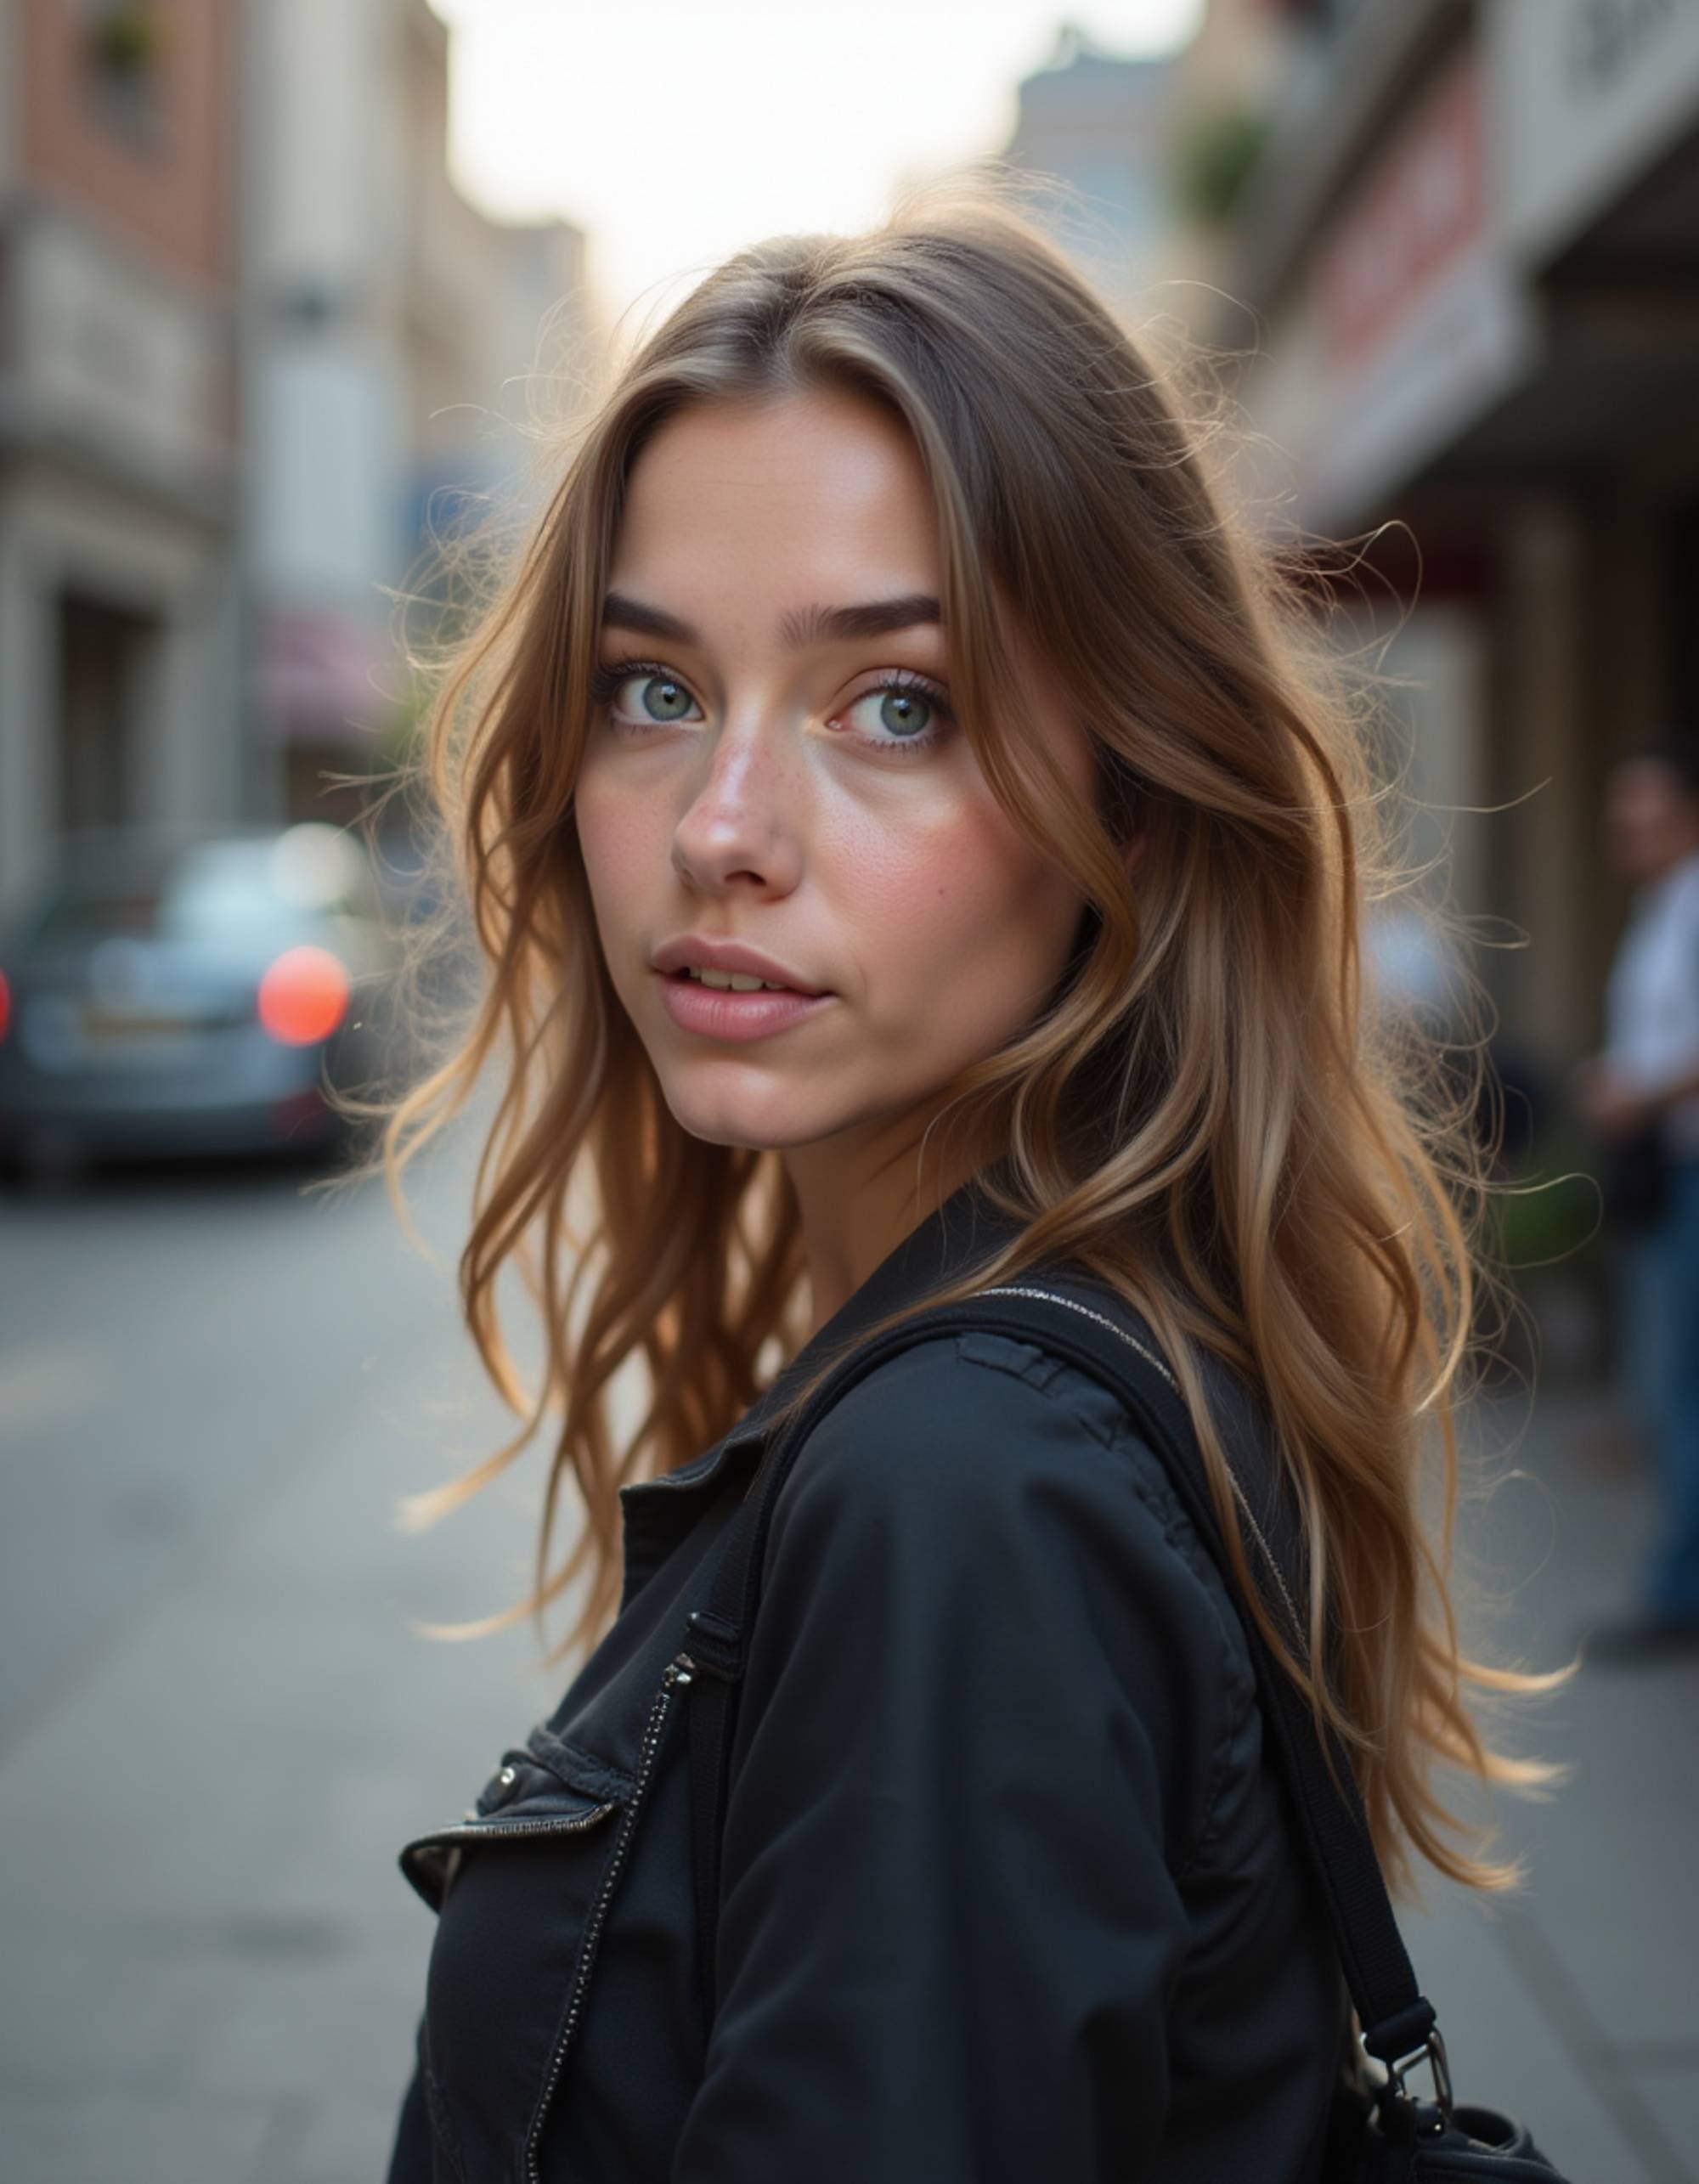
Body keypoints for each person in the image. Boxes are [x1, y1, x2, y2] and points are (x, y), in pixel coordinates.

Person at [370, 183, 1565, 2183]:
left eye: (894, 703)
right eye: (652, 687)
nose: (721, 829)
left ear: (1131, 781)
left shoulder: (966, 1485)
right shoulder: (1075, 1368)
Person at [1576, 733, 1699, 1661]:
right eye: (1623, 812)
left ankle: (1676, 1595)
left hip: (1686, 1171)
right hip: (1664, 1173)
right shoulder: (1658, 909)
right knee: (1666, 1387)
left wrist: (1633, 1090)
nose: (1630, 829)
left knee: (1675, 1389)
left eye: (1648, 811)